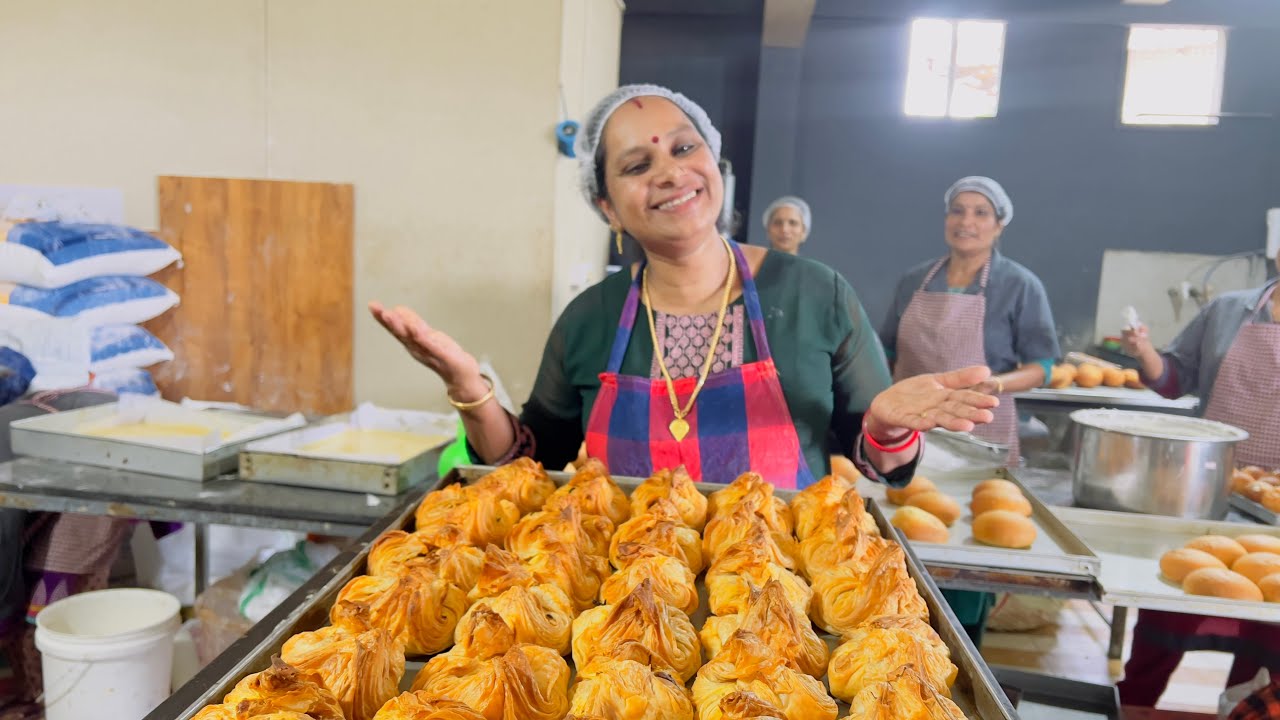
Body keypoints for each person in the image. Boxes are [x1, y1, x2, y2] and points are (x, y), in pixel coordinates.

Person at [371, 84, 1000, 490]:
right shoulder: (589, 319)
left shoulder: (815, 295)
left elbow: (882, 465)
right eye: (637, 165)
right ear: (607, 207)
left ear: (713, 161)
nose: (671, 173)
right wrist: (471, 392)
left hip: (776, 611)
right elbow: (529, 467)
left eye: (683, 148)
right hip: (623, 615)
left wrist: (886, 428)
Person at [1116, 263, 1280, 711]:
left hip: (1276, 505)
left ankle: (1244, 711)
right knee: (1168, 613)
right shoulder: (1228, 310)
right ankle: (1131, 708)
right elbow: (1174, 379)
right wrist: (1145, 351)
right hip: (1208, 492)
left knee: (1270, 635)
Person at [879, 176, 1060, 465]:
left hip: (980, 422)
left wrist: (993, 384)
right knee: (905, 490)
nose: (966, 222)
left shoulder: (1020, 285)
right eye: (957, 211)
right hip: (913, 421)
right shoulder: (914, 281)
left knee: (979, 491)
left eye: (981, 213)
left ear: (999, 225)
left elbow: (1041, 368)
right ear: (946, 219)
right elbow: (886, 354)